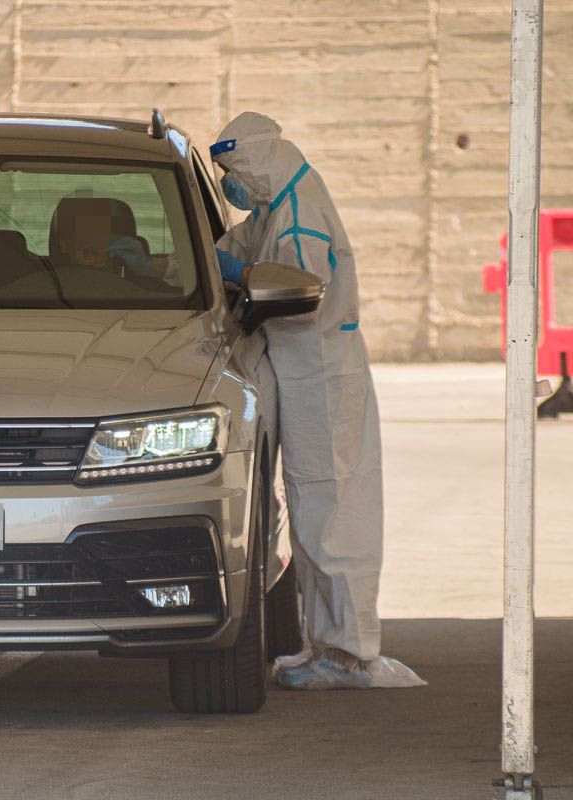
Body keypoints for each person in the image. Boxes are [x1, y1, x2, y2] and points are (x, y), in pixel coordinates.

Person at [208, 112, 424, 690]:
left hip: (322, 379)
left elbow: (297, 289)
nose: (231, 183)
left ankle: (352, 654)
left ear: (254, 161)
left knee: (332, 513)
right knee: (312, 512)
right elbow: (233, 245)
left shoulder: (300, 216)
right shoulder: (275, 205)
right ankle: (325, 643)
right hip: (304, 375)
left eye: (232, 170)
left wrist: (239, 270)